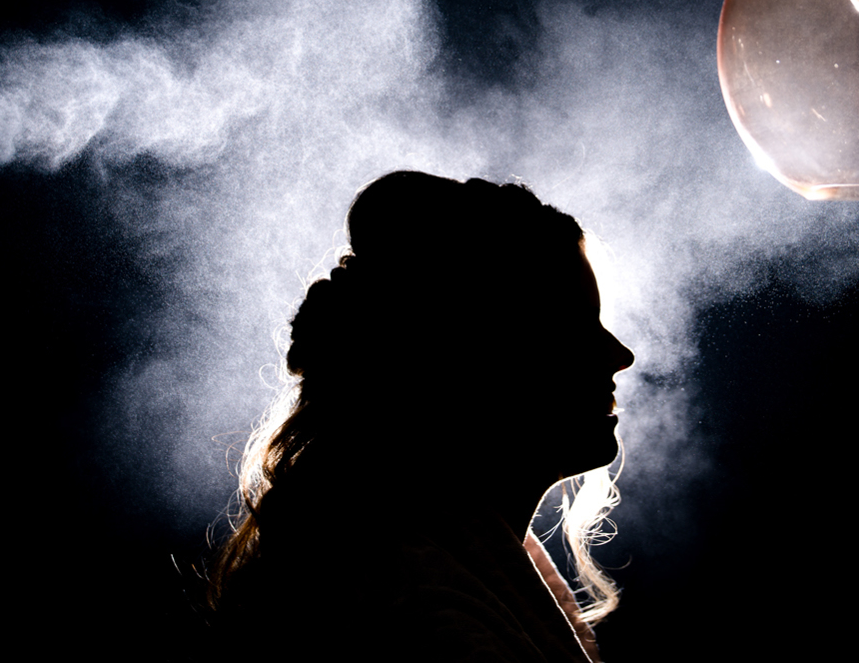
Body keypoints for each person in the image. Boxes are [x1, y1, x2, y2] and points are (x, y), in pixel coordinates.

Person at [206, 170, 635, 662]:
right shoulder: (427, 624)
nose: (620, 356)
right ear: (465, 358)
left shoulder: (435, 570)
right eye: (574, 328)